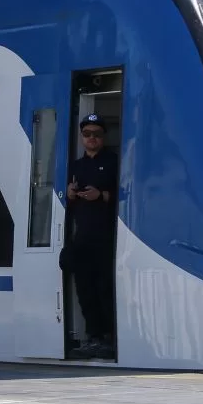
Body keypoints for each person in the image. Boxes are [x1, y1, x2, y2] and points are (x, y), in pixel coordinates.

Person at [65, 114, 119, 357]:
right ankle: (93, 336)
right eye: (87, 134)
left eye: (97, 133)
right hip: (82, 237)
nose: (92, 138)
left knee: (104, 288)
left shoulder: (114, 162)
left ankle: (109, 337)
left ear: (103, 136)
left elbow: (124, 195)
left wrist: (101, 195)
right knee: (85, 291)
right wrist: (70, 193)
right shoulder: (75, 166)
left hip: (106, 237)